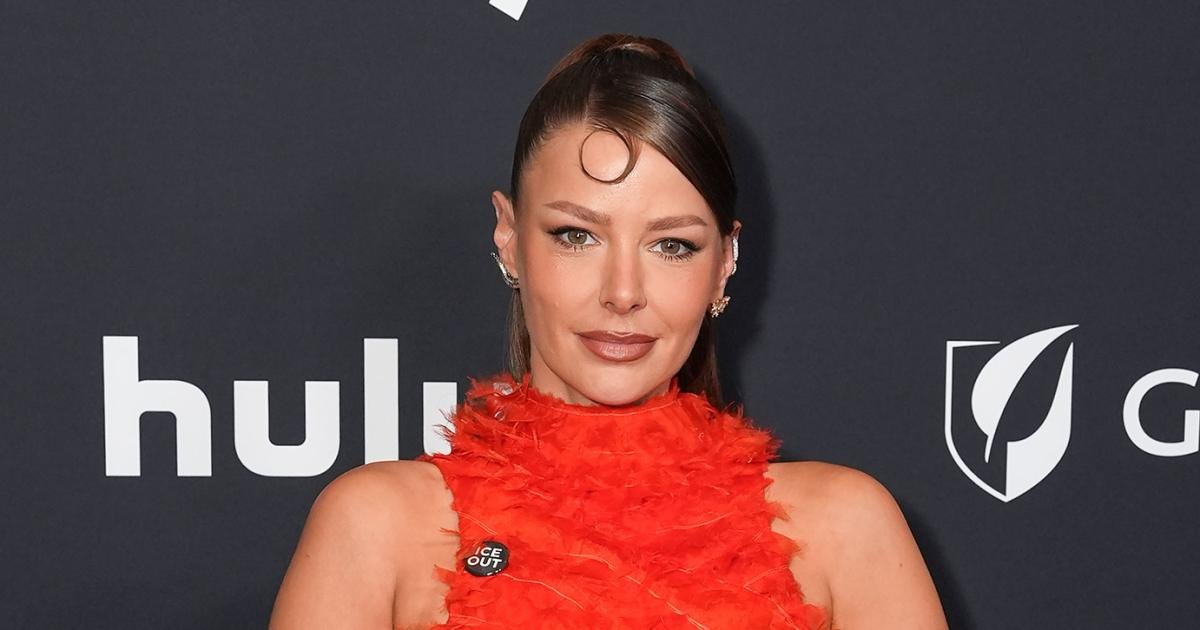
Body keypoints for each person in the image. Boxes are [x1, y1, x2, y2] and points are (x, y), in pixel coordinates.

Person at [270, 33, 948, 629]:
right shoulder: (377, 529)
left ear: (725, 262)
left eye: (672, 245)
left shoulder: (845, 529)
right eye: (577, 235)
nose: (623, 293)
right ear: (509, 238)